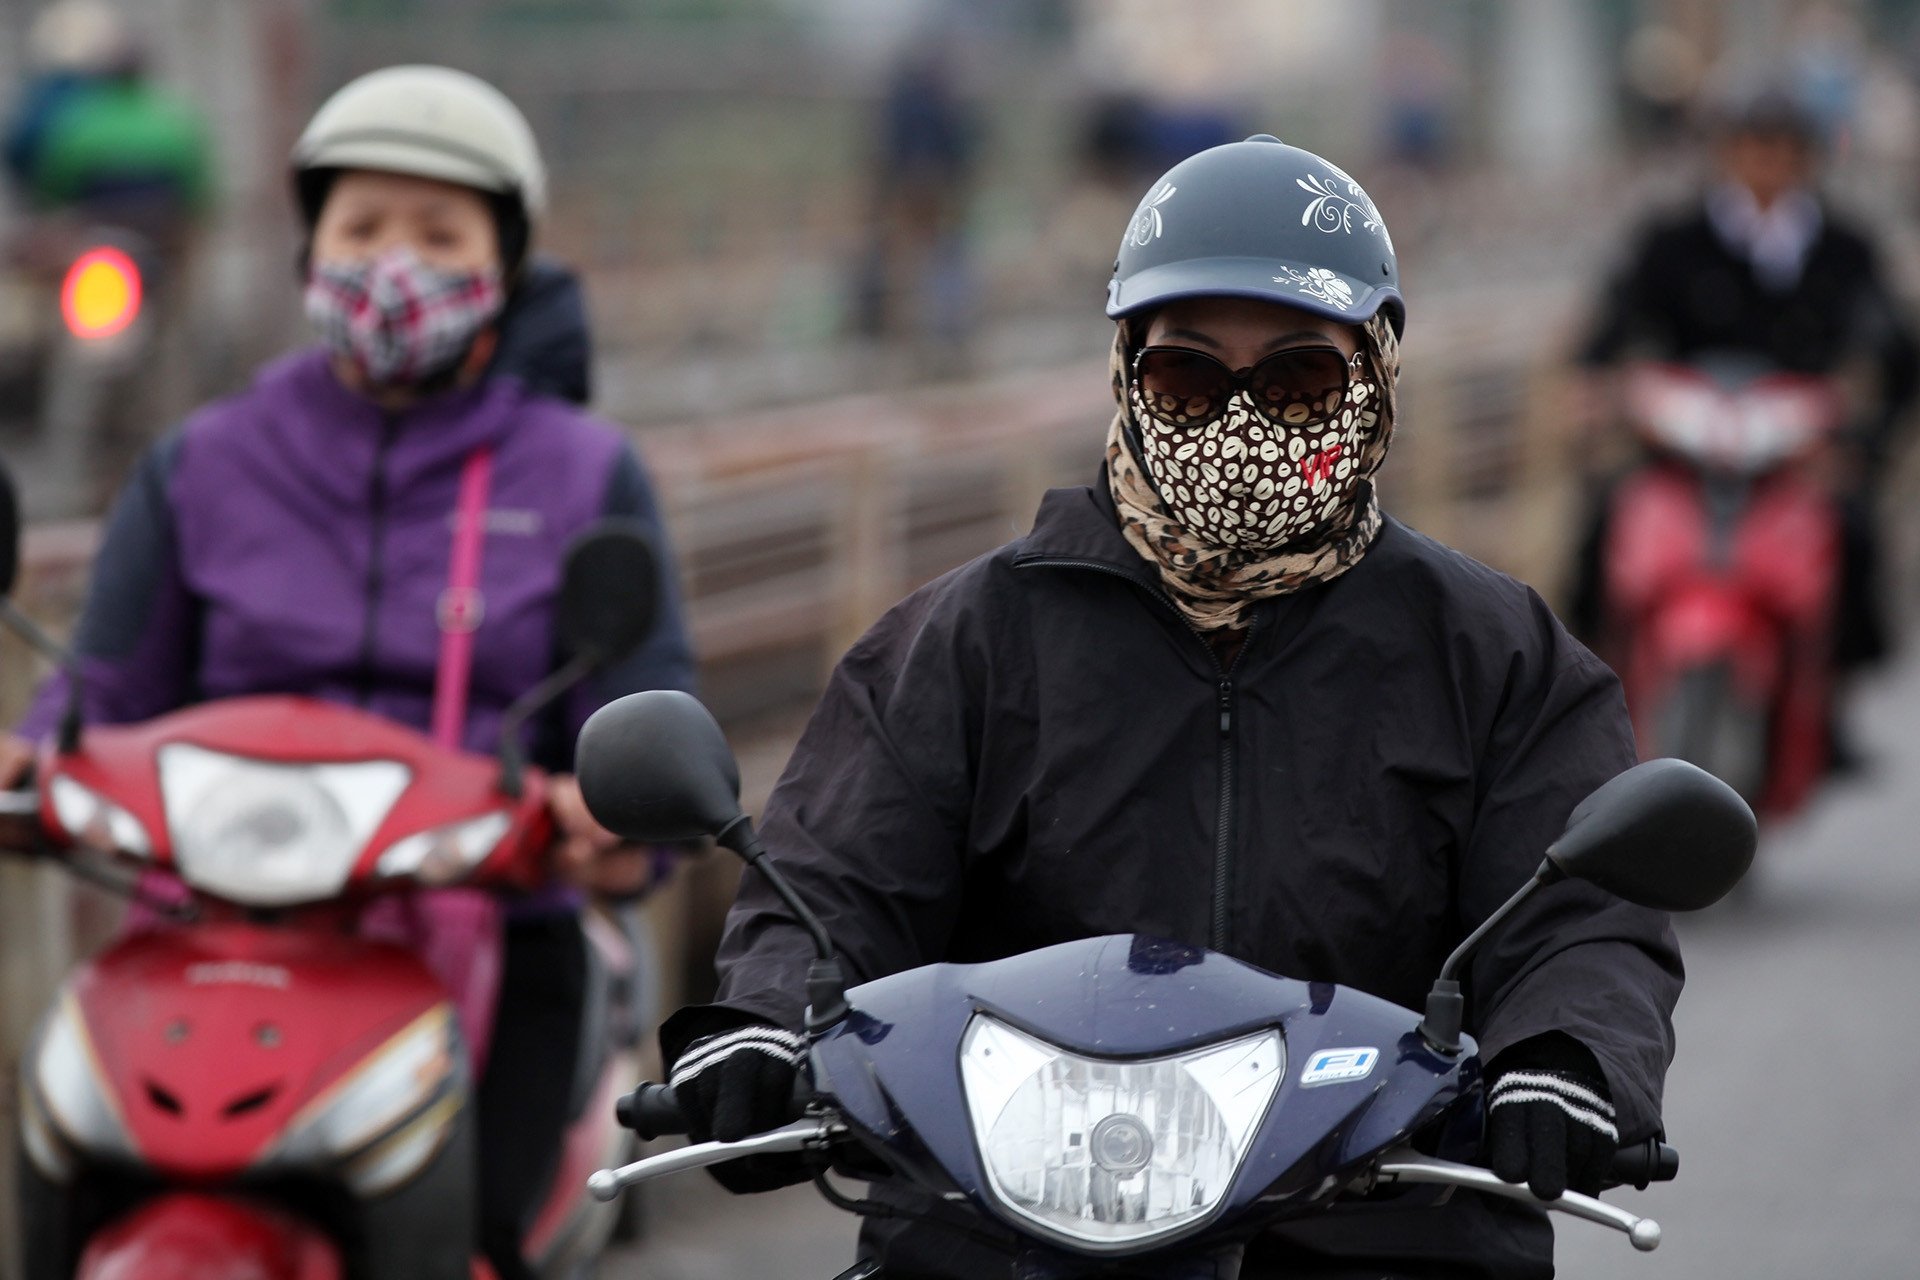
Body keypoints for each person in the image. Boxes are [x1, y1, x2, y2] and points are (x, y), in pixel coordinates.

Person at [657, 136, 1681, 1279]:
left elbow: (1578, 912)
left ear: (1378, 369)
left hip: (1379, 1231)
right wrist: (760, 1022)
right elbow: (834, 874)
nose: (1239, 420)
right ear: (1126, 372)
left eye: (1297, 378)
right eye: (1189, 377)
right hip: (998, 1233)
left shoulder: (1494, 652)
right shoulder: (968, 638)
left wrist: (1566, 1057)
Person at [1, 65, 695, 1279]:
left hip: (491, 919)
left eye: (440, 232)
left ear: (506, 257)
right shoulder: (203, 463)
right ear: (308, 242)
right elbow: (99, 697)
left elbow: (641, 707)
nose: (396, 261)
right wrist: (31, 759)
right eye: (363, 226)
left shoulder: (583, 475)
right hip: (203, 928)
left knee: (481, 1245)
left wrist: (620, 818)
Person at [1568, 89, 1915, 678]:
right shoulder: (1672, 239)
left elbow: (1897, 350)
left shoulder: (1845, 249)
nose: (1767, 162)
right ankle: (1585, 669)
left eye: (1783, 147)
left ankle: (1832, 694)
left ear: (1809, 158)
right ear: (1725, 152)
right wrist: (1591, 385)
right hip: (1685, 441)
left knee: (1852, 530)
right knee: (1606, 515)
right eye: (1753, 145)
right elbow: (1616, 320)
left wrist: (1863, 449)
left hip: (1796, 447)